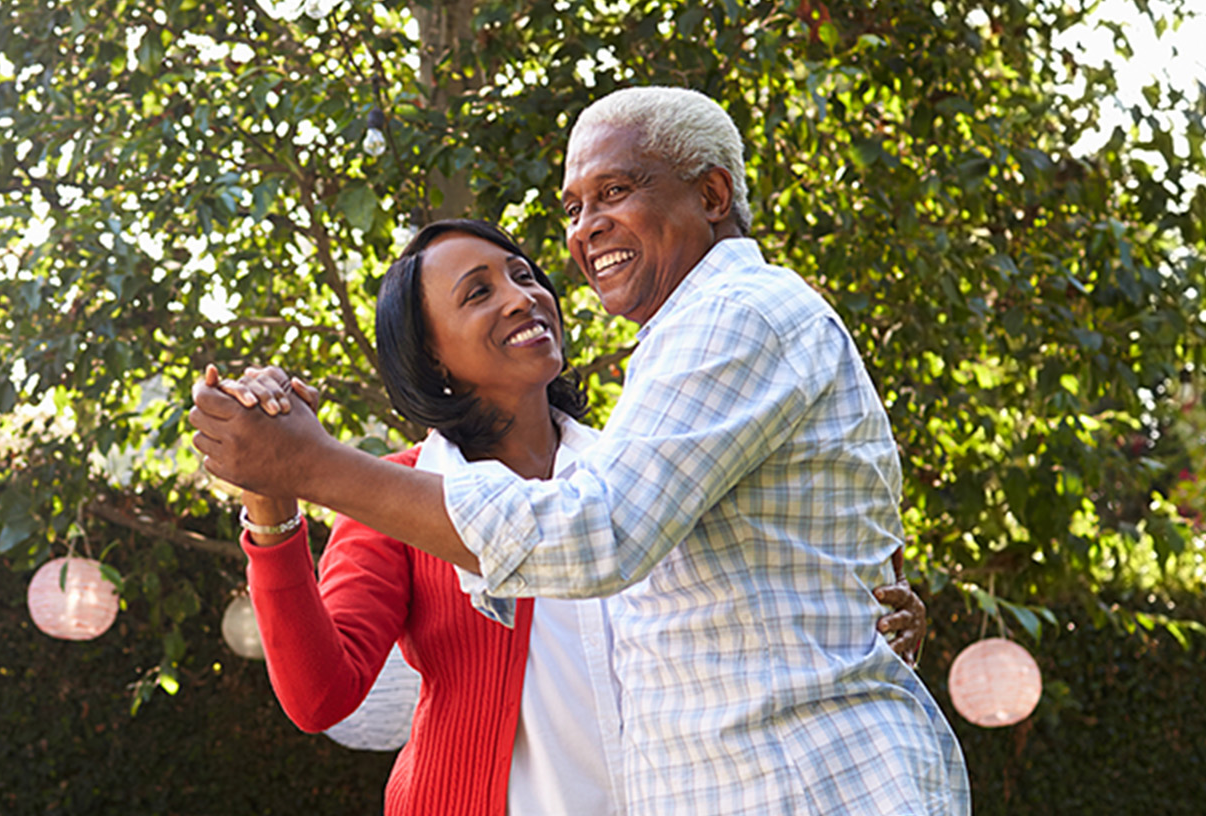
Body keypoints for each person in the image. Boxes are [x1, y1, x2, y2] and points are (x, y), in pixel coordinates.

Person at [190, 87, 969, 815]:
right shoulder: (399, 493)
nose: (525, 295)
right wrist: (274, 494)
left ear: (711, 195)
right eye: (478, 292)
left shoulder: (633, 444)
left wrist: (861, 620)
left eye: (523, 274)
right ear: (433, 360)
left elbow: (600, 537)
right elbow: (322, 693)